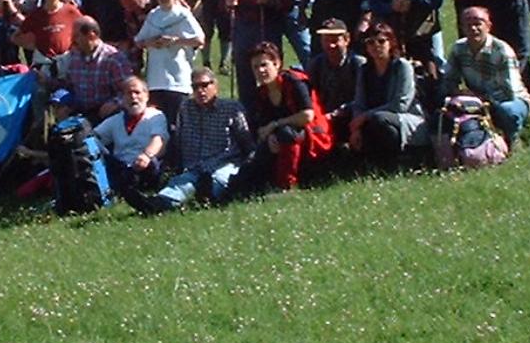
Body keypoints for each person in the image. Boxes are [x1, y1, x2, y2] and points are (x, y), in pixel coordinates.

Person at [141, 69, 253, 213]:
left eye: (205, 85)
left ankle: (208, 196)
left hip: (224, 164)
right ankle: (157, 203)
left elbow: (246, 142)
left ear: (215, 86)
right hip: (195, 165)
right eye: (195, 87)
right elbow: (179, 140)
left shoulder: (232, 108)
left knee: (219, 180)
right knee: (180, 184)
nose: (200, 91)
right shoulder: (185, 108)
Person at [236, 42, 320, 194]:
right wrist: (269, 134)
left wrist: (276, 125)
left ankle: (286, 185)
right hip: (279, 138)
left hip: (313, 135)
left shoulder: (294, 82)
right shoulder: (262, 92)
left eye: (264, 65)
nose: (260, 71)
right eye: (255, 67)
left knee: (286, 133)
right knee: (249, 171)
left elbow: (307, 115)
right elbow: (262, 127)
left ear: (277, 64)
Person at [443, 6, 530, 144]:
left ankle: (513, 139)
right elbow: (449, 79)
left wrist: (481, 102)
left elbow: (509, 92)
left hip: (509, 100)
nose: (473, 29)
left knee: (508, 111)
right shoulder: (458, 48)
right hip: (478, 99)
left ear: (488, 26)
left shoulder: (502, 51)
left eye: (478, 24)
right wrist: (457, 94)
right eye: (468, 25)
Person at [132, 0, 205, 126]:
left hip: (178, 80)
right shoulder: (153, 15)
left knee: (177, 124)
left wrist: (176, 41)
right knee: (157, 123)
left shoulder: (183, 14)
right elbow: (139, 41)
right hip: (156, 80)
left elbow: (200, 39)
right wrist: (152, 42)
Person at [347, 23, 426, 159]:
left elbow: (400, 105)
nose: (376, 45)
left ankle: (396, 160)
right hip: (374, 118)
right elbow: (359, 102)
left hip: (404, 119)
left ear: (391, 43)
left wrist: (365, 116)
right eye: (370, 42)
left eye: (381, 41)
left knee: (380, 119)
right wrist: (356, 127)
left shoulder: (402, 66)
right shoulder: (364, 69)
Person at [94, 76, 168, 210]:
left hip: (146, 165)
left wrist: (146, 155)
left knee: (151, 165)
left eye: (137, 92)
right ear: (122, 98)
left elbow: (159, 140)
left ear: (146, 95)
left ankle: (132, 194)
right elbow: (95, 137)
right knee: (91, 143)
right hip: (120, 167)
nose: (133, 97)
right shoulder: (115, 120)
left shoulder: (156, 116)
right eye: (129, 93)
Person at [53, 16, 132, 122]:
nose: (73, 41)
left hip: (106, 117)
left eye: (76, 36)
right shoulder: (73, 57)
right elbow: (69, 85)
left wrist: (115, 103)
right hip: (80, 113)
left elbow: (128, 91)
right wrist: (65, 104)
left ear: (91, 35)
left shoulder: (114, 59)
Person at [307, 18, 364, 147]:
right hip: (323, 118)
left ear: (347, 39)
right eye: (326, 40)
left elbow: (363, 99)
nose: (330, 45)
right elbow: (310, 95)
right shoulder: (316, 64)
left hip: (352, 117)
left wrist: (339, 112)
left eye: (335, 40)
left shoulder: (359, 64)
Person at [12, 0, 84, 67]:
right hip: (43, 62)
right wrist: (32, 46)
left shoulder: (71, 11)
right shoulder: (36, 14)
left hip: (67, 61)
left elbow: (85, 29)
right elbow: (16, 36)